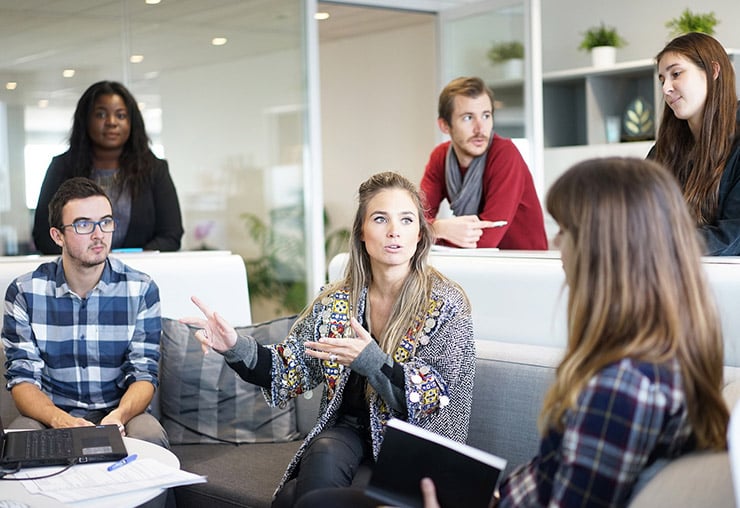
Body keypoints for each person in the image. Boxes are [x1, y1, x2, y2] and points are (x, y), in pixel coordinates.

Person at [301, 158, 730, 508]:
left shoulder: (622, 388)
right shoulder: (661, 359)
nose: (558, 245)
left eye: (566, 231)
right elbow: (557, 478)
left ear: (608, 249)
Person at [181, 171, 475, 507]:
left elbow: (434, 398)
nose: (394, 231)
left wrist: (371, 361)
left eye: (406, 220)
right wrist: (235, 346)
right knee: (322, 452)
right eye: (380, 219)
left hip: (412, 446)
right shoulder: (336, 302)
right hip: (348, 433)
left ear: (420, 234)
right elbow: (287, 369)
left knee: (295, 497)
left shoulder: (447, 304)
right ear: (361, 233)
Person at [3, 177, 168, 448]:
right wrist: (61, 420)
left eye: (105, 222)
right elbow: (22, 379)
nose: (98, 234)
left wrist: (119, 416)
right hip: (51, 414)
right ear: (58, 236)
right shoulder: (24, 292)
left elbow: (144, 374)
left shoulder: (141, 289)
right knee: (19, 437)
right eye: (83, 224)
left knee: (149, 436)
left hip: (120, 414)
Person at [32, 80, 184, 255]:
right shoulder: (62, 168)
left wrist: (130, 261)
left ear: (132, 122)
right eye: (101, 115)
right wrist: (89, 259)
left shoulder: (155, 169)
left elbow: (171, 235)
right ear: (85, 120)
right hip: (77, 276)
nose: (111, 122)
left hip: (140, 274)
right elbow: (44, 236)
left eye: (121, 115)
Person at [419, 76, 547, 250]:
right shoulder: (440, 157)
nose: (480, 128)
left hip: (523, 266)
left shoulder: (505, 154)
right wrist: (439, 228)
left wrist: (431, 232)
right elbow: (413, 222)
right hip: (477, 264)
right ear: (444, 125)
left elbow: (486, 240)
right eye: (467, 118)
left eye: (486, 116)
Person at [648, 32, 740, 255]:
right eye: (662, 79)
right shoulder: (664, 149)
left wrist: (661, 246)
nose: (666, 89)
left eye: (676, 74)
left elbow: (734, 234)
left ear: (713, 71)